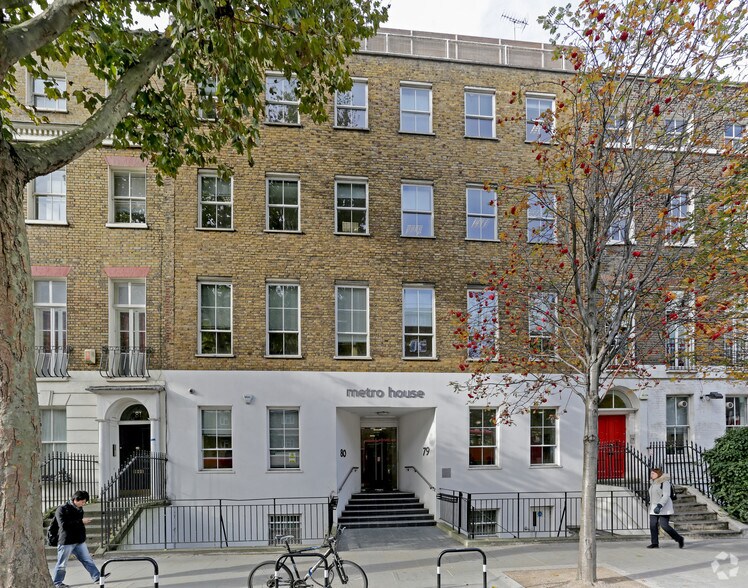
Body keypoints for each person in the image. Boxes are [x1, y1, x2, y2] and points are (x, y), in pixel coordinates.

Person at [51, 490, 110, 588]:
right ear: (75, 500)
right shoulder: (62, 509)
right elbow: (63, 525)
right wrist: (81, 521)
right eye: (82, 502)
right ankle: (57, 583)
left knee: (87, 559)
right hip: (66, 541)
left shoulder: (79, 509)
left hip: (79, 540)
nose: (84, 504)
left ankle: (97, 577)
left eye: (85, 502)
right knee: (62, 563)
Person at [647, 467, 685, 549]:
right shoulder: (653, 483)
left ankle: (679, 538)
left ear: (658, 474)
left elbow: (666, 495)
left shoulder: (665, 482)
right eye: (651, 473)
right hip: (654, 506)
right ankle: (654, 543)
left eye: (653, 473)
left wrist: (659, 505)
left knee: (664, 525)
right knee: (653, 524)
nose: (651, 475)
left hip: (663, 506)